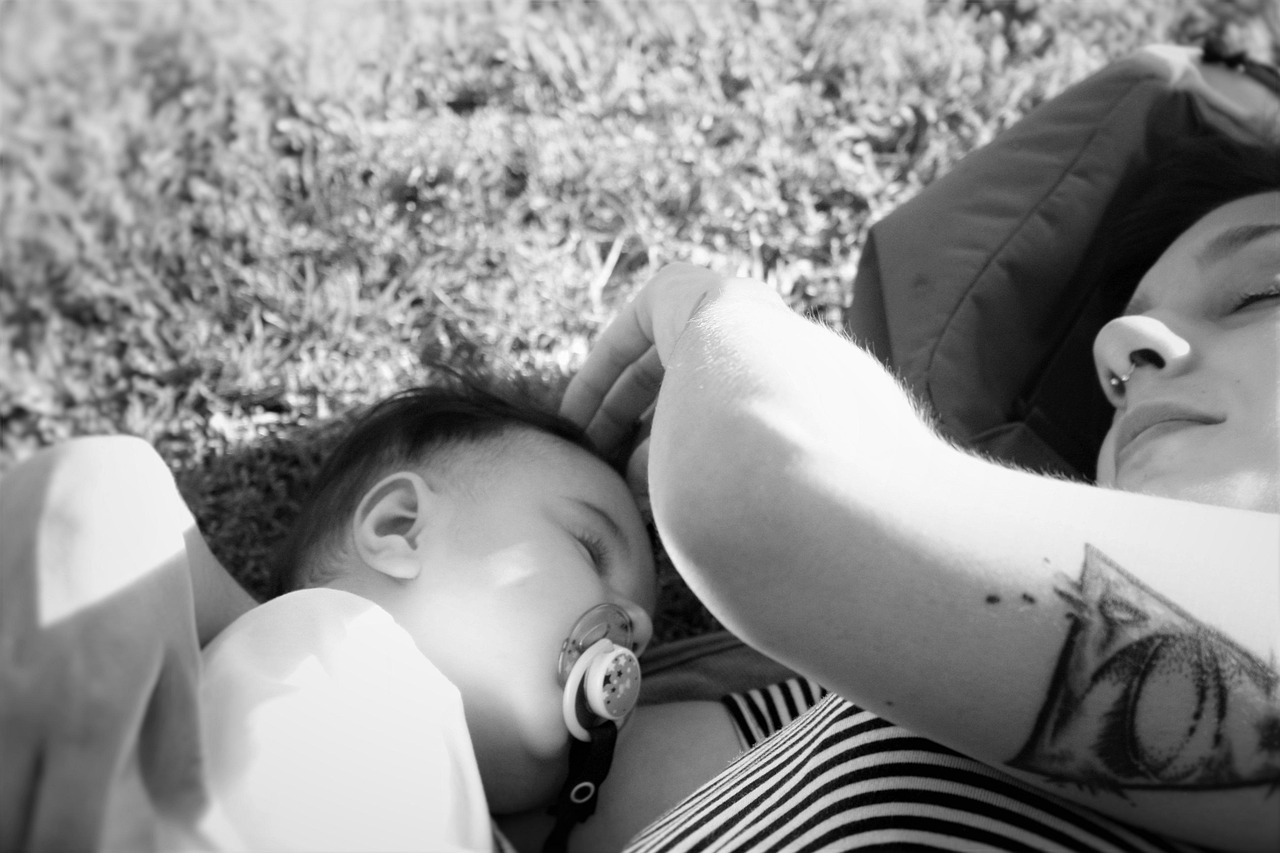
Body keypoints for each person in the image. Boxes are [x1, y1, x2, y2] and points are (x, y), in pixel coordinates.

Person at [559, 148, 1280, 851]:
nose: (1121, 345)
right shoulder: (871, 672)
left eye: (1264, 289)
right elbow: (587, 807)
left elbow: (763, 489)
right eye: (1117, 389)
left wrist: (719, 309)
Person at [2, 382, 799, 852]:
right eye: (590, 548)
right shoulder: (304, 639)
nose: (634, 631)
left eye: (641, 630)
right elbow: (108, 506)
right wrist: (108, 494)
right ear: (399, 528)